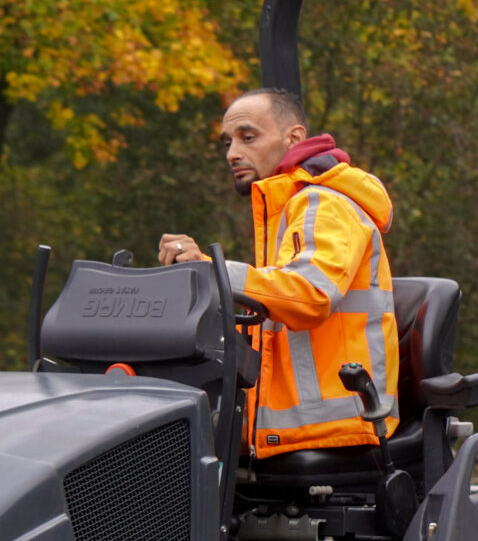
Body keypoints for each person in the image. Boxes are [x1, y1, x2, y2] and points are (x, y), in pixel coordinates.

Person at [155, 88, 397, 458]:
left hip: (335, 428)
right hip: (293, 429)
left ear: (294, 137)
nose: (233, 153)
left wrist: (211, 271)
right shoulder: (287, 211)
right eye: (227, 143)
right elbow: (269, 309)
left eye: (248, 137)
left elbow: (309, 296)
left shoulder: (323, 203)